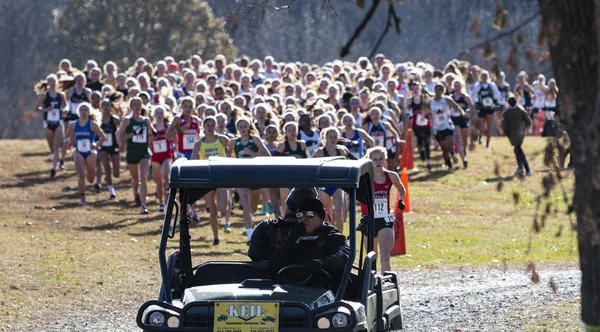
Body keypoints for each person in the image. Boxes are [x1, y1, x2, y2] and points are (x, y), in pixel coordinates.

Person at [252, 196, 349, 290]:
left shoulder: (332, 236)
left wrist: (323, 262)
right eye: (300, 215)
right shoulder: (292, 237)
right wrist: (289, 241)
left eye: (309, 214)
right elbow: (273, 265)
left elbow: (344, 255)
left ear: (321, 217)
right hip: (290, 289)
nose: (303, 219)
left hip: (323, 289)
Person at [359, 147, 405, 272]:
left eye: (380, 159)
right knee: (371, 258)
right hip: (369, 220)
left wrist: (401, 200)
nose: (378, 162)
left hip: (384, 219)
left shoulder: (391, 176)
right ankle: (371, 285)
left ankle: (387, 284)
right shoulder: (364, 178)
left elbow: (402, 190)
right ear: (369, 161)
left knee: (385, 257)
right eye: (375, 159)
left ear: (385, 160)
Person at [228, 117, 270, 243]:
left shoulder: (255, 139)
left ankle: (251, 218)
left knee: (253, 206)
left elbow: (267, 155)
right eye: (240, 127)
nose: (243, 129)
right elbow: (228, 157)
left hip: (255, 175)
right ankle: (250, 235)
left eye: (245, 126)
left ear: (249, 126)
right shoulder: (233, 142)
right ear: (237, 129)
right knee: (245, 203)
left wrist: (252, 154)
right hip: (240, 175)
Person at [192, 116, 231, 244]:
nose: (210, 127)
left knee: (222, 208)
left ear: (216, 126)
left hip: (222, 176)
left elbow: (232, 149)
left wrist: (229, 160)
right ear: (203, 127)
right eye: (207, 125)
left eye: (212, 125)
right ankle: (216, 237)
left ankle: (228, 202)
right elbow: (193, 160)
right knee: (212, 210)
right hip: (207, 177)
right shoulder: (199, 143)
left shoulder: (222, 139)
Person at [64, 103, 107, 205]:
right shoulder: (73, 125)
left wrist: (96, 145)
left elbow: (103, 137)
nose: (83, 112)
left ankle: (89, 170)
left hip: (90, 152)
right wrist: (69, 143)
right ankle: (82, 197)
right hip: (78, 151)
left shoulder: (92, 125)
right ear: (78, 112)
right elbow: (66, 137)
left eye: (85, 110)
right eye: (81, 110)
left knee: (91, 179)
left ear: (89, 112)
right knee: (81, 174)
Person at [118, 97, 155, 214]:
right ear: (131, 107)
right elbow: (120, 138)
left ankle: (144, 205)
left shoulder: (146, 120)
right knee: (135, 179)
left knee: (143, 177)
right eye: (135, 105)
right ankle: (136, 194)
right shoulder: (127, 120)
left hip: (144, 151)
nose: (137, 107)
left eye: (139, 104)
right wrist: (133, 134)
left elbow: (153, 134)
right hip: (132, 151)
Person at [313, 127, 351, 233]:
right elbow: (313, 168)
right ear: (325, 137)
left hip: (338, 184)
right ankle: (329, 236)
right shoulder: (320, 151)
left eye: (335, 137)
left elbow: (351, 164)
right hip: (324, 185)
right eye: (330, 137)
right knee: (327, 215)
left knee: (339, 213)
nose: (333, 139)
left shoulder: (342, 151)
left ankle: (340, 237)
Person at [34, 74, 68, 177]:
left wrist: (65, 110)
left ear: (57, 83)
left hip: (58, 123)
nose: (53, 84)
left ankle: (53, 168)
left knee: (57, 146)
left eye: (54, 81)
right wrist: (45, 110)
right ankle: (58, 159)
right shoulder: (44, 96)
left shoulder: (61, 95)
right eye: (51, 82)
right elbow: (36, 109)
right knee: (52, 148)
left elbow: (66, 106)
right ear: (48, 84)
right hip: (48, 124)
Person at [430, 83, 466, 171]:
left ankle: (453, 153)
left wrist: (462, 112)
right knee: (444, 148)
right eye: (436, 89)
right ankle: (449, 165)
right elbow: (426, 111)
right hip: (436, 127)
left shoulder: (446, 99)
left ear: (443, 91)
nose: (438, 92)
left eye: (440, 90)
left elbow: (456, 105)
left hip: (447, 125)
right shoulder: (430, 101)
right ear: (434, 90)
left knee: (449, 144)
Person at [149, 106, 174, 212]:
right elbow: (146, 140)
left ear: (164, 115)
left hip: (167, 155)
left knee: (165, 176)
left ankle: (168, 202)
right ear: (154, 115)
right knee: (158, 182)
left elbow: (174, 137)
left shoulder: (167, 126)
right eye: (157, 113)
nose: (159, 115)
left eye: (161, 113)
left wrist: (169, 136)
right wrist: (152, 138)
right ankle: (161, 204)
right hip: (155, 157)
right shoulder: (151, 127)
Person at [95, 98, 121, 199]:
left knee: (116, 173)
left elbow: (121, 129)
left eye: (107, 105)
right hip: (102, 146)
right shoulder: (98, 119)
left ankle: (108, 178)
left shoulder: (114, 119)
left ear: (111, 107)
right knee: (107, 167)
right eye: (104, 105)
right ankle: (111, 190)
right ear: (101, 107)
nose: (106, 107)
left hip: (113, 146)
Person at [502, 95, 532, 176]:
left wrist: (505, 132)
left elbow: (505, 125)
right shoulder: (520, 110)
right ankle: (520, 168)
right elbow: (528, 121)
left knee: (518, 150)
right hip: (521, 133)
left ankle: (527, 169)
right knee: (516, 149)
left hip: (512, 134)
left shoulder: (506, 113)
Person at [473, 71, 502, 148]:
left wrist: (494, 101)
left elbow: (497, 94)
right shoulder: (477, 86)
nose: (484, 78)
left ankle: (488, 143)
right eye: (483, 76)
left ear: (488, 77)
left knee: (489, 126)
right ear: (480, 77)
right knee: (481, 127)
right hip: (481, 108)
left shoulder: (492, 85)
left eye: (486, 76)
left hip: (490, 108)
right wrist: (476, 103)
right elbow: (473, 95)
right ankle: (481, 136)